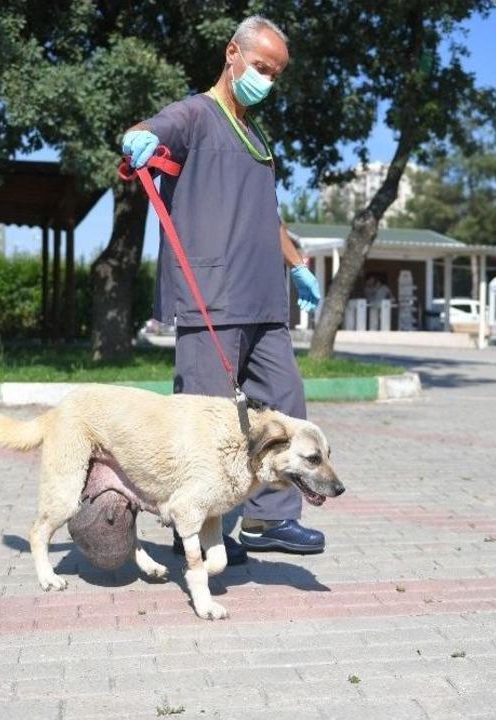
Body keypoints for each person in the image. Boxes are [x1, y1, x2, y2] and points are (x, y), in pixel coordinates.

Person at [121, 15, 324, 564]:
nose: (267, 81)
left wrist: (298, 263)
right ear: (232, 53)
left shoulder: (256, 136)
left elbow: (269, 215)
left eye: (276, 74)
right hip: (212, 298)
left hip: (264, 302)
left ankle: (270, 518)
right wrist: (140, 136)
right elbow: (158, 126)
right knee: (207, 425)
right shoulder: (197, 115)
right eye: (261, 67)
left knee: (285, 407)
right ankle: (201, 534)